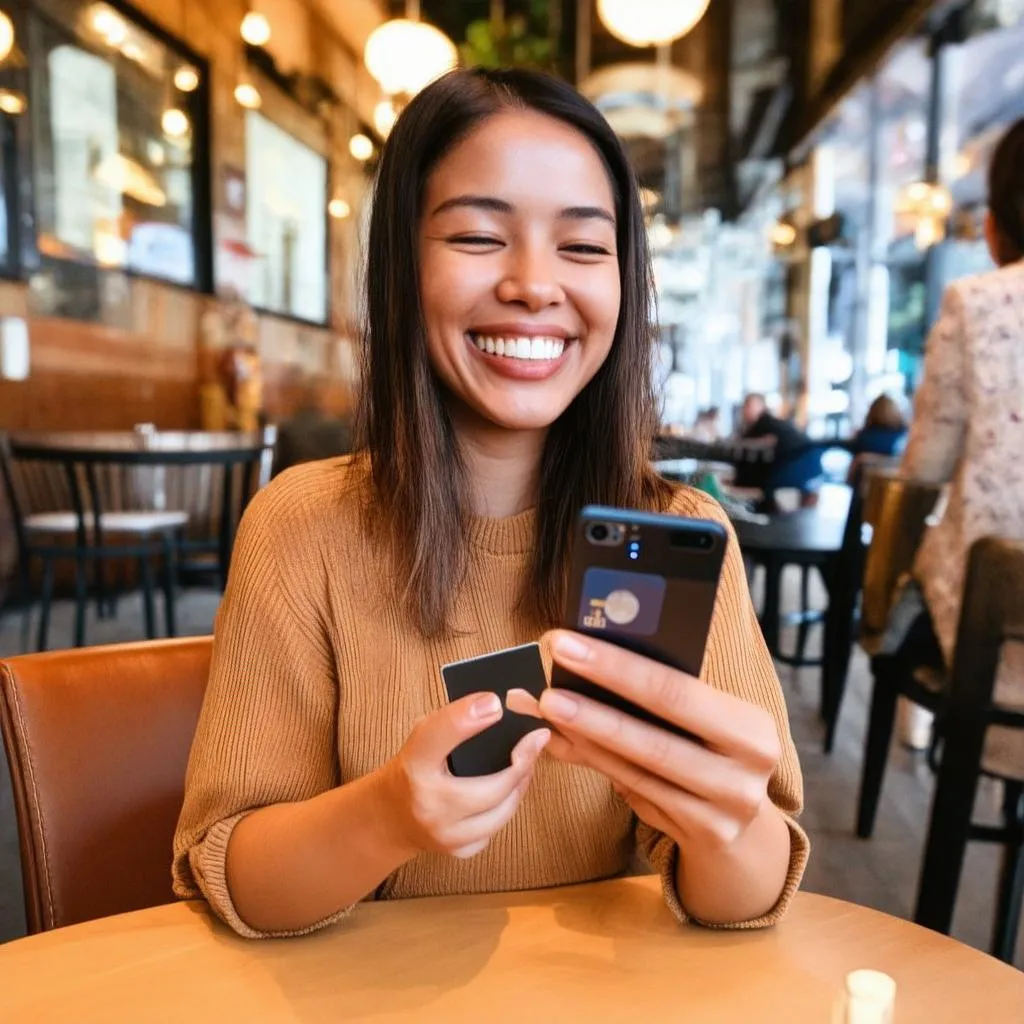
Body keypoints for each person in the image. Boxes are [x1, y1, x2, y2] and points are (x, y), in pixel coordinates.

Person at [173, 68, 807, 939]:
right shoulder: (301, 528)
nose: (534, 284)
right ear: (402, 264)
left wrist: (728, 822)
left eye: (583, 248)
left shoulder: (684, 535)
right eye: (478, 236)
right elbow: (241, 880)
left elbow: (746, 902)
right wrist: (390, 815)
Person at [899, 117, 1024, 676]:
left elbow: (925, 467)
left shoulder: (977, 302)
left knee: (900, 618)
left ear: (999, 221)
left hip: (993, 617)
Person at [733, 394, 818, 511]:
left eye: (750, 405)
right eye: (745, 406)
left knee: (763, 483)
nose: (746, 410)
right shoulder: (767, 423)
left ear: (761, 406)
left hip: (799, 461)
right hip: (809, 461)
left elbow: (746, 451)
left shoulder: (763, 424)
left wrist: (738, 481)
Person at [846, 394, 908, 486]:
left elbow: (852, 473)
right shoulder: (903, 435)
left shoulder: (864, 437)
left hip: (864, 489)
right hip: (893, 488)